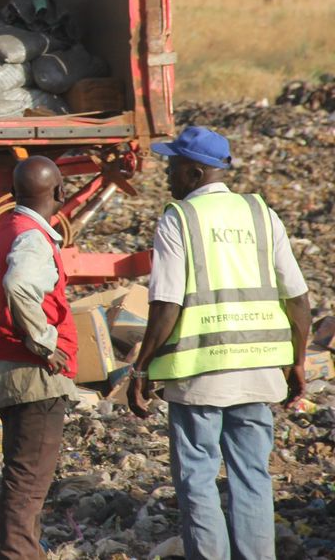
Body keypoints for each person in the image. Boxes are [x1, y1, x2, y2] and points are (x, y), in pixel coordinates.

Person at [128, 126, 310, 560]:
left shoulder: (180, 218)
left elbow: (166, 304)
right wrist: (297, 361)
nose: (167, 176)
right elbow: (299, 299)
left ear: (194, 173)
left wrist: (142, 367)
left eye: (172, 167)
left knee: (197, 478)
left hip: (200, 376)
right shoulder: (261, 214)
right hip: (259, 370)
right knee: (253, 476)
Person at [0, 156, 78, 559]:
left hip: (5, 369)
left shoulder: (3, 231)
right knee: (29, 481)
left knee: (21, 473)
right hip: (33, 373)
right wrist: (46, 342)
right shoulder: (32, 238)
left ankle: (25, 549)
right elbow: (18, 284)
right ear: (58, 193)